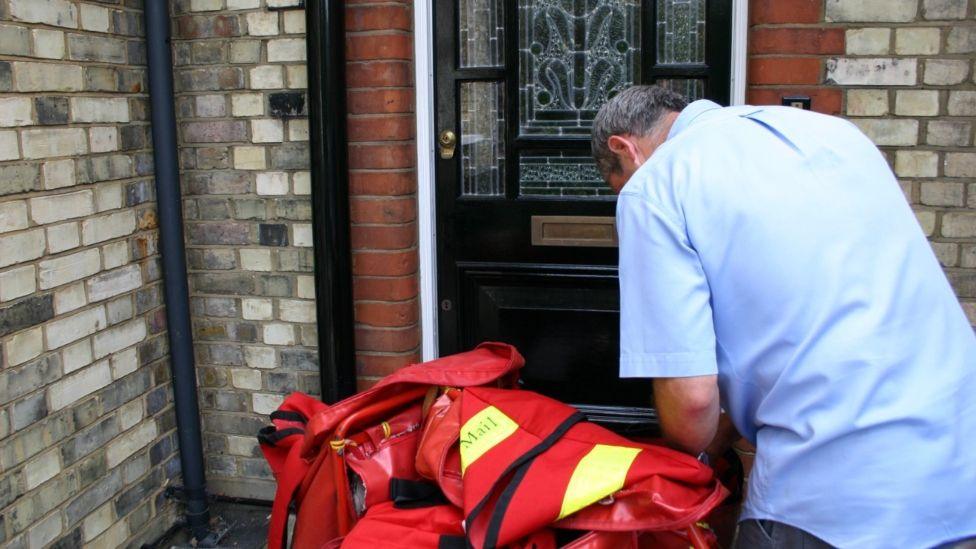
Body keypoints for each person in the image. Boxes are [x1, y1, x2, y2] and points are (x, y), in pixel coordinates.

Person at [591, 86, 976, 548]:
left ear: (623, 148)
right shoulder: (837, 135)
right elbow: (804, 330)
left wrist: (686, 469)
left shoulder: (655, 184)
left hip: (829, 503)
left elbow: (691, 404)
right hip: (958, 469)